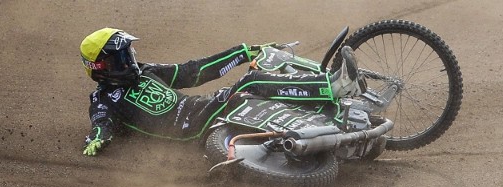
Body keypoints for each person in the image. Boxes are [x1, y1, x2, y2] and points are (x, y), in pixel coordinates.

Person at [80, 28, 363, 156]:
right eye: (121, 58)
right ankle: (333, 86)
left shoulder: (146, 70)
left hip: (203, 108)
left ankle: (324, 95)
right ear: (101, 67)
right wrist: (98, 137)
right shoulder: (104, 99)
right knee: (251, 83)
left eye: (129, 53)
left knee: (260, 77)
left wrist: (240, 53)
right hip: (190, 129)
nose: (129, 61)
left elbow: (194, 72)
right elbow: (100, 123)